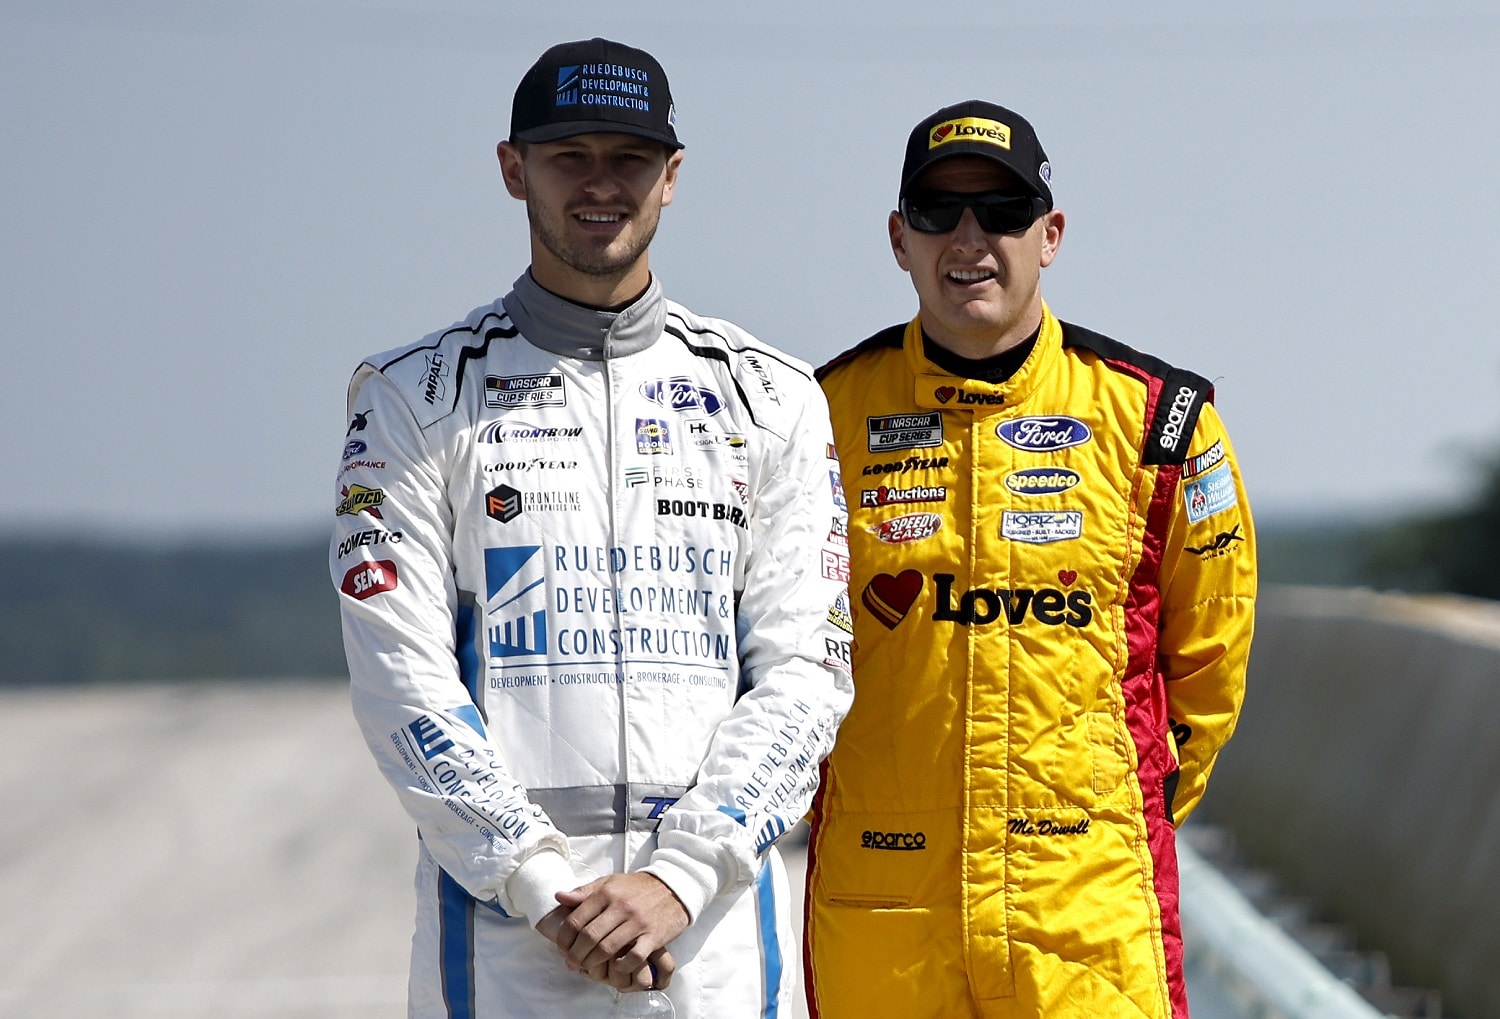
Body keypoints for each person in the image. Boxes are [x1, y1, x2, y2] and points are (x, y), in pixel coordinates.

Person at [331, 38, 853, 1018]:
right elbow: (400, 679)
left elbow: (806, 673)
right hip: (507, 936)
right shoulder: (412, 396)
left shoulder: (770, 397)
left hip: (712, 937)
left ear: (672, 177)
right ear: (513, 168)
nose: (602, 184)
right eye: (572, 156)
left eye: (630, 159)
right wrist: (540, 885)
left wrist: (679, 879)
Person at [805, 100, 1257, 1018]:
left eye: (1002, 212)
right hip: (882, 904)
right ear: (900, 238)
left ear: (1049, 235)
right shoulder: (813, 414)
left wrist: (1109, 821)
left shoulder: (1164, 421)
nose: (969, 238)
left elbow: (1212, 661)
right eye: (938, 212)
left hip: (1089, 909)